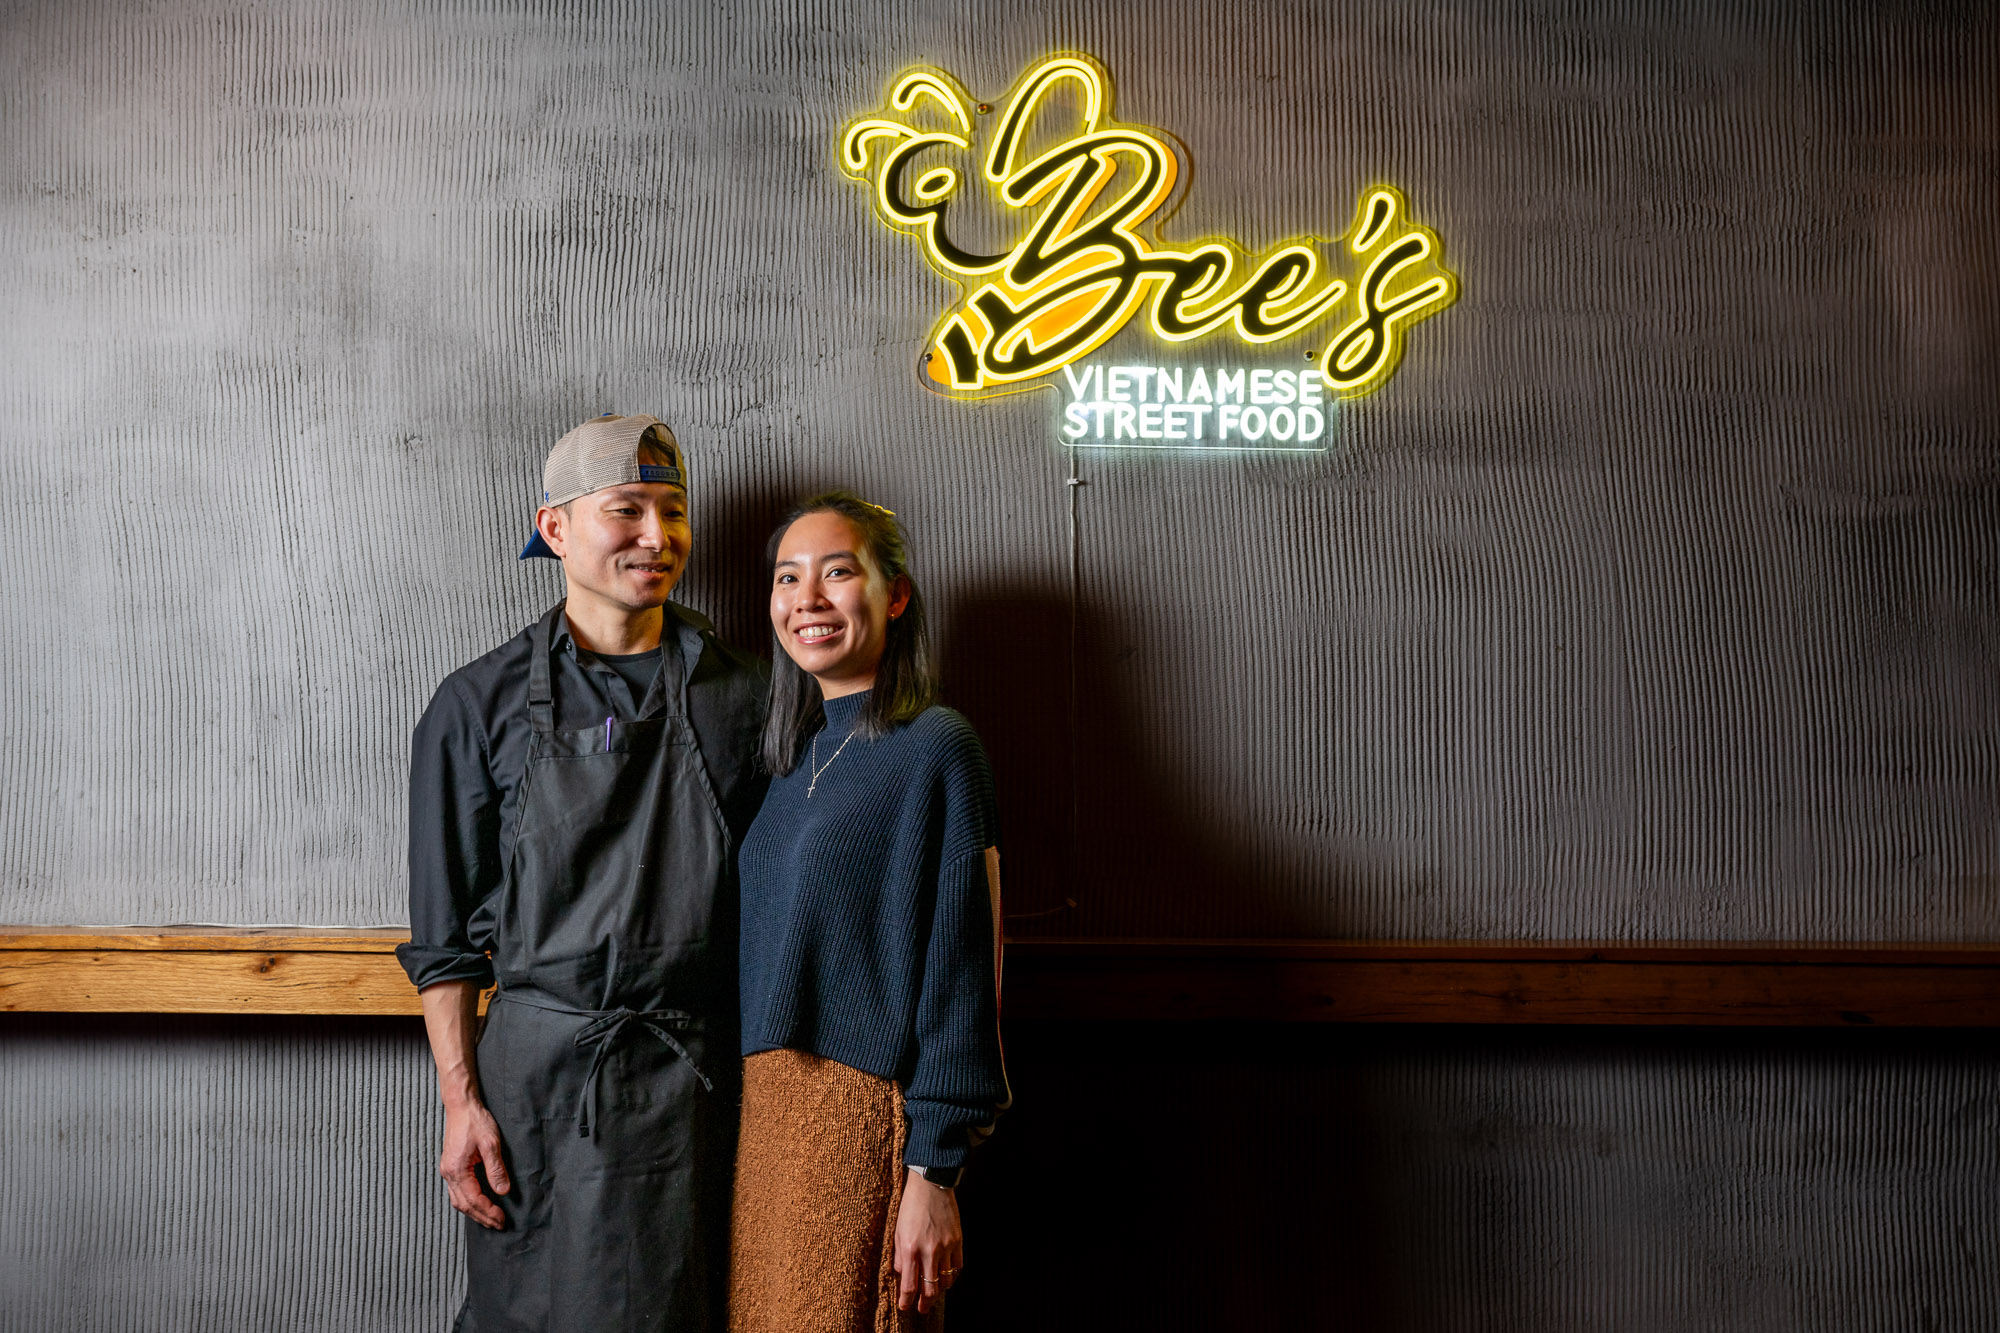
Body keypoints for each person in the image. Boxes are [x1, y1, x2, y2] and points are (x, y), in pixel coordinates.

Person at [398, 414, 765, 1333]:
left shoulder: (748, 696)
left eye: (673, 511)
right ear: (554, 527)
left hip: (696, 1080)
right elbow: (444, 946)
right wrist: (462, 1103)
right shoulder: (474, 704)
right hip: (537, 1086)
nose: (658, 535)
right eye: (627, 509)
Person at [729, 492, 1009, 1333]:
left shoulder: (937, 745)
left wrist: (933, 1174)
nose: (806, 597)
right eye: (788, 577)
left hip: (859, 1116)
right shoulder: (786, 757)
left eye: (836, 571)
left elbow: (965, 964)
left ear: (894, 595)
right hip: (764, 1119)